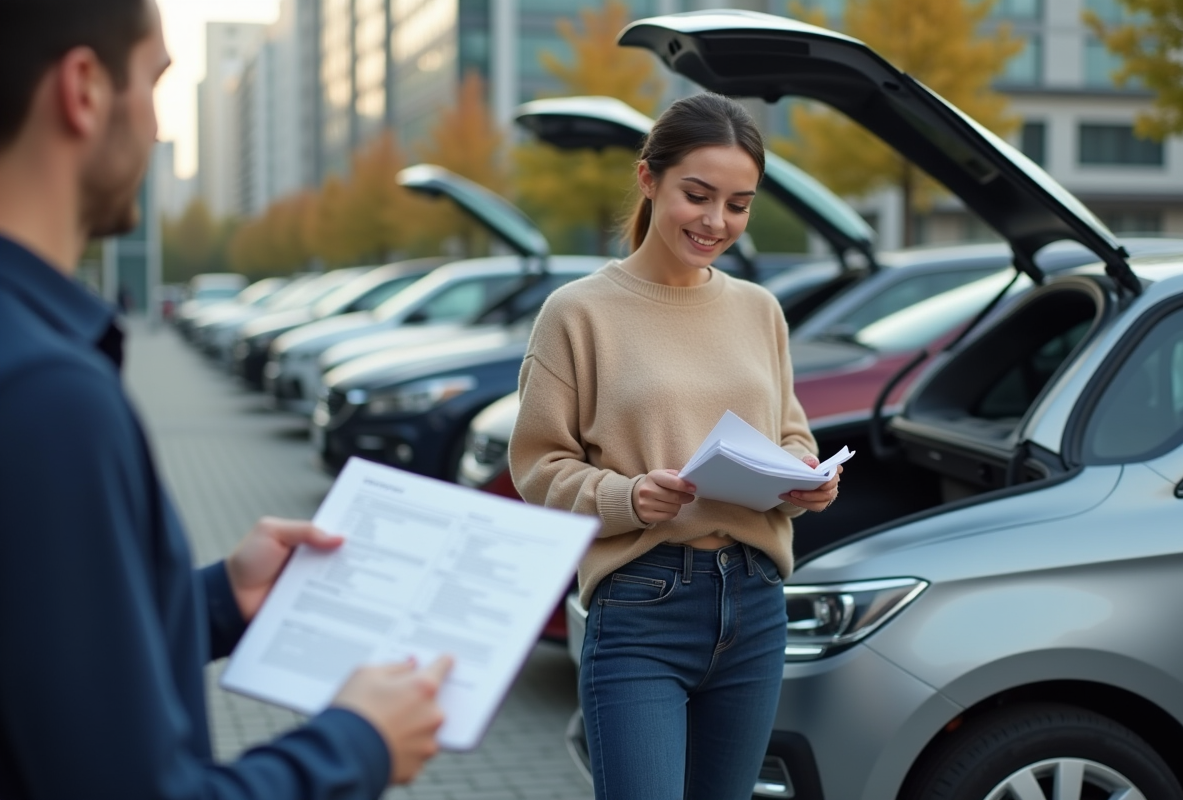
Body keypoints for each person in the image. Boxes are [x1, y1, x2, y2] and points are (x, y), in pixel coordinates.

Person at [0, 1, 452, 797]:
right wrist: (357, 742)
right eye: (156, 83)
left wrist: (214, 600)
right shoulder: (48, 394)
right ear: (84, 90)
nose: (155, 126)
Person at [509, 93, 843, 800]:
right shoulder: (578, 312)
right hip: (640, 604)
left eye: (739, 203)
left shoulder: (760, 308)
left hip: (755, 602)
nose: (717, 222)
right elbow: (536, 465)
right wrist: (625, 497)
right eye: (698, 195)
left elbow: (789, 428)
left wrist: (807, 476)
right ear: (648, 179)